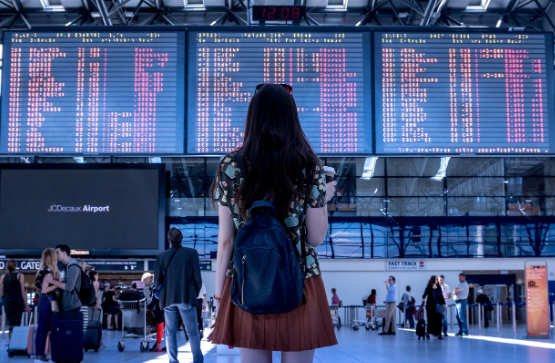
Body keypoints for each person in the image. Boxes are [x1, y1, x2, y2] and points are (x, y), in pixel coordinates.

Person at [208, 83, 338, 363]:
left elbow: (225, 240)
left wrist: (219, 296)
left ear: (253, 116)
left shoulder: (231, 164)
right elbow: (315, 237)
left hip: (247, 279)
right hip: (300, 279)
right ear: (292, 117)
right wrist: (323, 197)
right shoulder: (309, 165)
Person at [154, 227, 203, 363]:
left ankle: (173, 360)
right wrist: (194, 293)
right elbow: (197, 278)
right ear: (182, 238)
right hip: (186, 297)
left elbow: (157, 280)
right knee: (192, 332)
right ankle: (197, 360)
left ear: (168, 240)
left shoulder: (161, 257)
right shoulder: (191, 253)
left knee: (170, 333)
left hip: (168, 299)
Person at [34, 248, 59, 362]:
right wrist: (58, 284)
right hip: (48, 300)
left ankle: (38, 354)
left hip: (42, 300)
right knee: (45, 329)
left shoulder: (40, 270)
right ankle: (40, 355)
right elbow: (45, 289)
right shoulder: (49, 271)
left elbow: (39, 290)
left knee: (40, 328)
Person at [0, 259, 31, 340]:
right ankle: (14, 345)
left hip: (8, 304)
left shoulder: (3, 277)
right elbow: (22, 292)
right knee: (16, 325)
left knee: (11, 325)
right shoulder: (20, 275)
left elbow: (2, 294)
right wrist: (26, 305)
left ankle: (11, 345)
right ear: (15, 266)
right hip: (17, 304)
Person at [142, 272, 166, 352]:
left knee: (159, 326)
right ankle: (159, 344)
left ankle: (158, 345)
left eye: (145, 281)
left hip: (160, 307)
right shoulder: (159, 283)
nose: (145, 283)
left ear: (148, 278)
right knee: (161, 326)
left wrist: (149, 307)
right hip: (164, 305)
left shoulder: (155, 284)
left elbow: (156, 297)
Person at [422, 275, 446, 340]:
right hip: (430, 307)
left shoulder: (439, 287)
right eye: (436, 279)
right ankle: (428, 332)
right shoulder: (429, 287)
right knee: (430, 320)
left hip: (438, 306)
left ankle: (439, 334)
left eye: (437, 279)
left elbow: (441, 296)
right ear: (433, 280)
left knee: (439, 321)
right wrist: (423, 300)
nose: (437, 280)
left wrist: (444, 304)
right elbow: (424, 295)